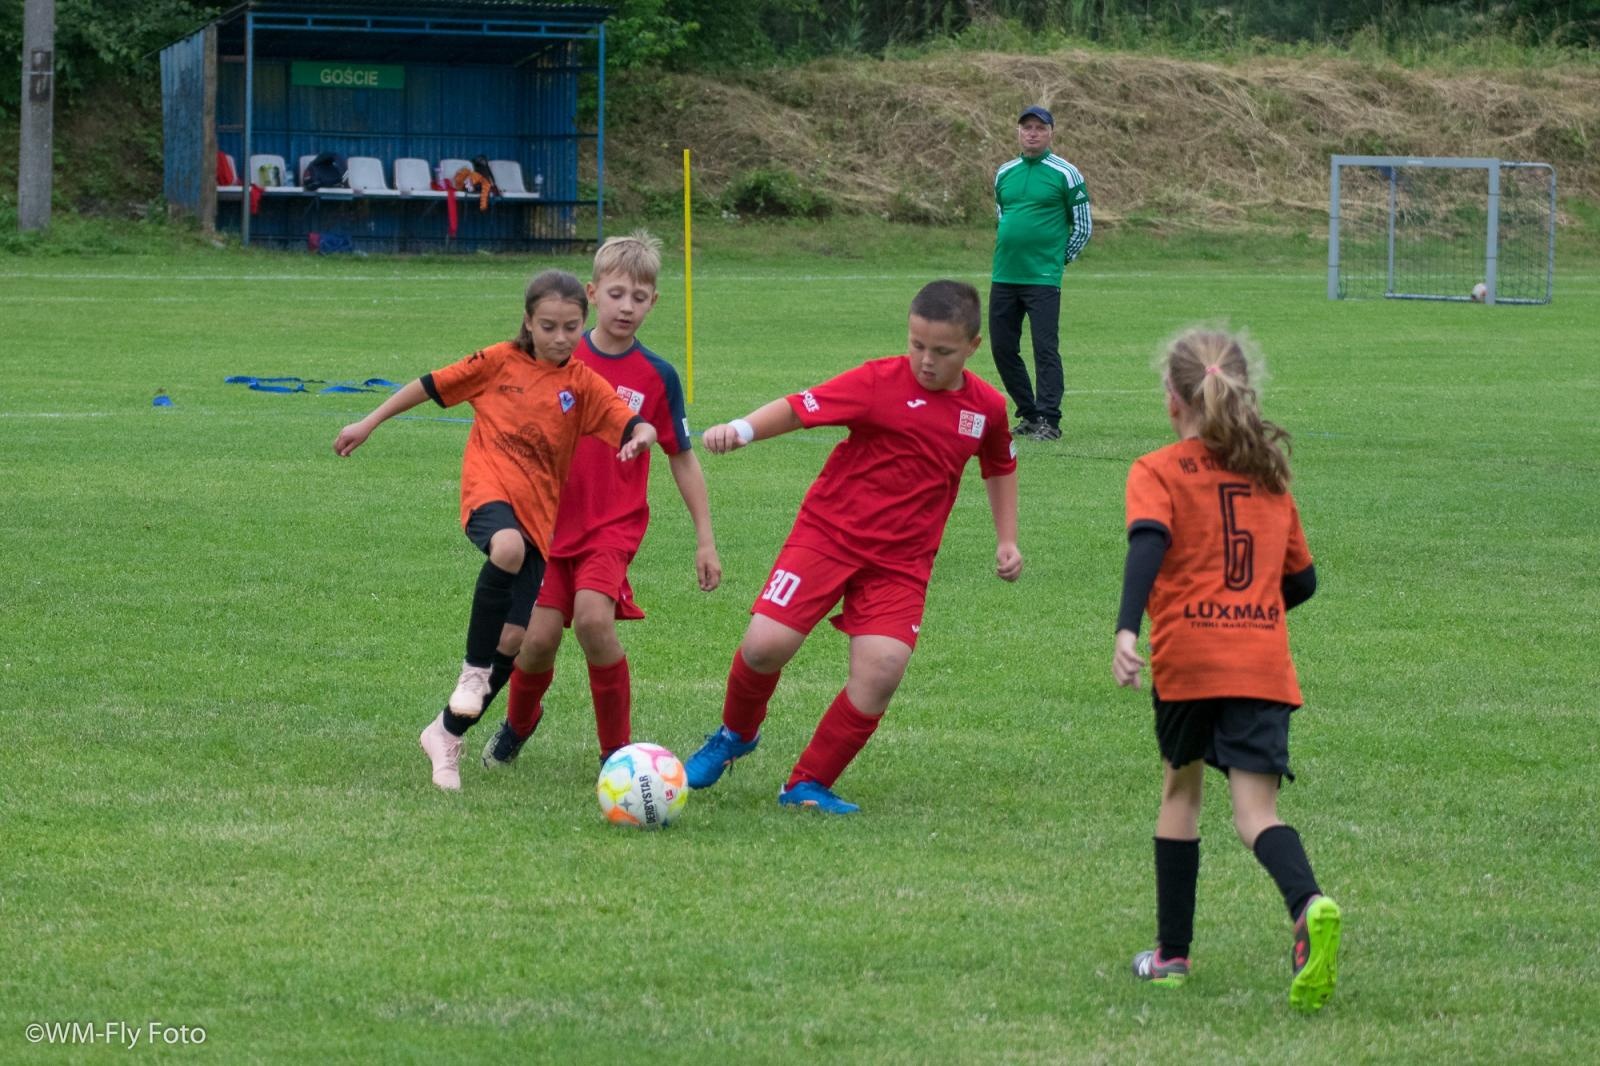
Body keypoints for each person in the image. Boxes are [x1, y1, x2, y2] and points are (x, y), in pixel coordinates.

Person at [682, 280, 1022, 815]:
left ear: (973, 346)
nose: (926, 360)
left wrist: (1007, 540)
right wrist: (742, 428)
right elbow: (799, 408)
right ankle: (735, 735)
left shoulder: (986, 409)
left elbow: (999, 464)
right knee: (764, 645)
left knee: (883, 668)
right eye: (916, 345)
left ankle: (807, 784)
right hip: (827, 536)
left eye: (942, 351)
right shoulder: (876, 381)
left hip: (902, 562)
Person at [333, 270, 658, 791]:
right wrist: (368, 422)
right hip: (488, 497)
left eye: (571, 327)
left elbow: (628, 419)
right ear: (528, 321)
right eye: (548, 325)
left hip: (540, 523)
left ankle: (445, 732)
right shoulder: (496, 362)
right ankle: (471, 673)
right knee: (505, 548)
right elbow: (429, 385)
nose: (561, 337)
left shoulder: (582, 385)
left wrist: (642, 434)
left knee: (515, 638)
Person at [1112, 328, 1340, 1012]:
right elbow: (1301, 582)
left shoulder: (1155, 470)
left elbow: (1148, 543)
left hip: (1188, 657)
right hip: (1262, 660)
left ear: (1173, 401)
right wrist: (1250, 608)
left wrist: (1128, 627)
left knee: (1181, 792)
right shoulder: (1269, 476)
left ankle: (1172, 957)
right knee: (1256, 813)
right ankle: (1309, 904)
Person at [480, 231, 722, 770]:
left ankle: (617, 753)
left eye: (639, 297)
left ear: (653, 302)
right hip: (546, 525)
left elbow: (682, 456)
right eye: (616, 294)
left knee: (593, 621)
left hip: (612, 525)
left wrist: (705, 539)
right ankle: (519, 724)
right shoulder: (556, 356)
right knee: (536, 640)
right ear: (593, 293)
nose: (626, 307)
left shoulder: (657, 376)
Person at [990, 104, 1092, 441]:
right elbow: (1003, 216)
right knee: (1003, 348)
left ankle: (1050, 419)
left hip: (1043, 278)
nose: (1032, 133)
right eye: (1026, 127)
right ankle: (1030, 414)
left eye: (1039, 128)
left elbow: (1083, 226)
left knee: (1045, 348)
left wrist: (1057, 260)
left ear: (1050, 133)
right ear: (1018, 132)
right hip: (1005, 275)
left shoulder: (1065, 173)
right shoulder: (1004, 173)